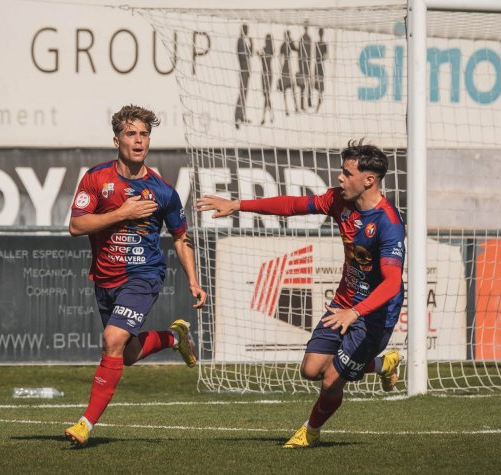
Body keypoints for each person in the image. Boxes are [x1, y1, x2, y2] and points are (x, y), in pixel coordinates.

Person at [196, 140, 403, 449]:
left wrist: (356, 313)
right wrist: (237, 205)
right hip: (344, 302)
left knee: (333, 379)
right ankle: (383, 363)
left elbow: (392, 284)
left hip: (373, 315)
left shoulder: (388, 224)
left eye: (346, 174)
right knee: (311, 370)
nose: (339, 179)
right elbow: (292, 206)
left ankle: (311, 431)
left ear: (369, 180)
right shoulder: (338, 200)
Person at [65, 104, 207, 448]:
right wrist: (122, 212)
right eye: (131, 133)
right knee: (125, 353)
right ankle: (174, 338)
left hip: (143, 276)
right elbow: (75, 226)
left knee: (112, 341)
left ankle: (85, 424)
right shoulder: (96, 179)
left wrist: (193, 280)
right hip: (105, 279)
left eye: (144, 134)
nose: (139, 140)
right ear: (117, 140)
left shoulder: (163, 191)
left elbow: (180, 237)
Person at [235, 24, 253, 129]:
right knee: (242, 94)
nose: (247, 31)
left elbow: (250, 54)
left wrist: (251, 44)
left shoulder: (244, 41)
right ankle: (237, 117)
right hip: (243, 71)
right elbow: (243, 56)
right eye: (246, 29)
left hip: (246, 71)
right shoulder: (240, 41)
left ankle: (241, 116)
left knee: (244, 94)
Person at [277, 30, 298, 116]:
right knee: (288, 89)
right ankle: (291, 108)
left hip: (287, 67)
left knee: (290, 88)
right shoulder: (285, 45)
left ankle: (294, 107)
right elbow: (280, 57)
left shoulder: (286, 44)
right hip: (286, 68)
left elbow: (296, 49)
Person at [258, 34, 275, 125]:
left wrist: (260, 55)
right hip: (267, 73)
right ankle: (270, 116)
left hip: (266, 74)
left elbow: (263, 59)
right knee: (266, 96)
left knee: (266, 96)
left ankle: (265, 117)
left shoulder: (267, 49)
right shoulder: (271, 49)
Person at [296, 25, 313, 111]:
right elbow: (300, 53)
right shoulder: (302, 39)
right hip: (303, 65)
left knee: (308, 84)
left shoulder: (308, 39)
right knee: (303, 86)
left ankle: (309, 102)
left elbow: (309, 53)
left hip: (306, 64)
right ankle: (303, 105)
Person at [313, 28, 328, 112]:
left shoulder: (322, 44)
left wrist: (321, 58)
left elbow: (326, 56)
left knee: (320, 84)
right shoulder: (317, 44)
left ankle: (319, 99)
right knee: (317, 83)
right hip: (318, 65)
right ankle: (318, 100)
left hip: (319, 65)